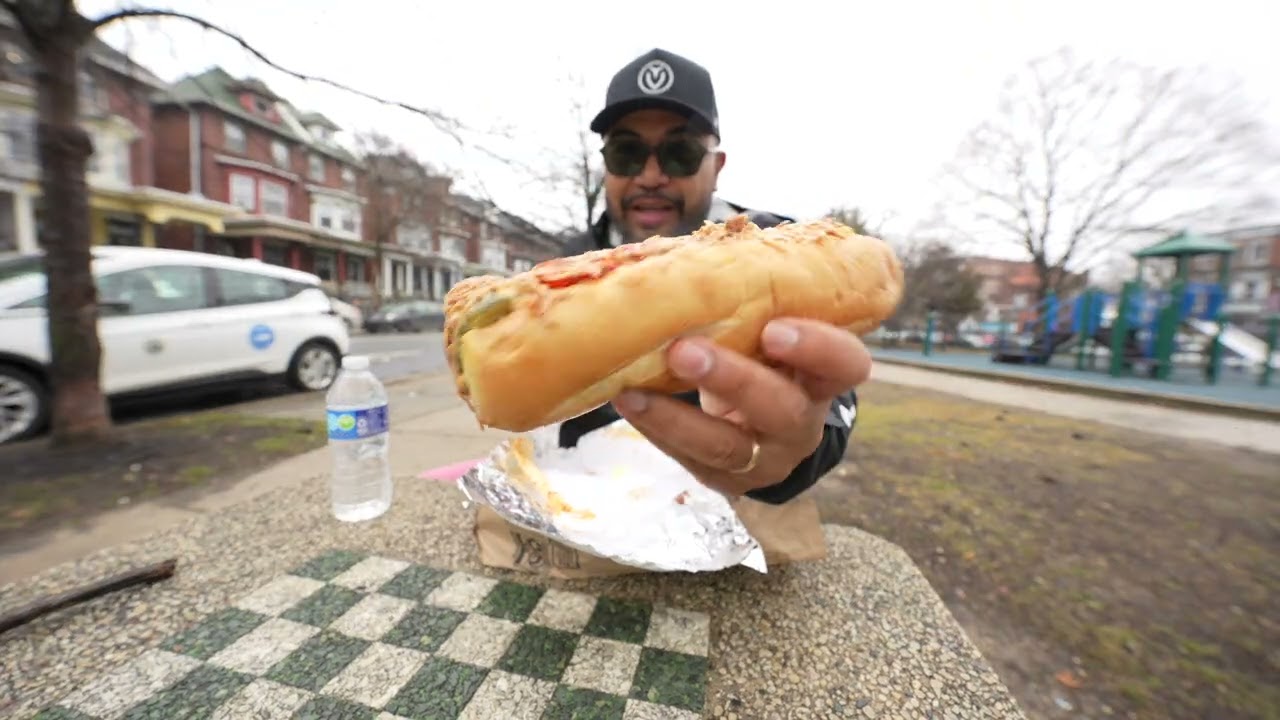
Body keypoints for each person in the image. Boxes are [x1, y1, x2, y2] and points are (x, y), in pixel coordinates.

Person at [558, 48, 871, 504]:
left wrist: (786, 454)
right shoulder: (565, 268)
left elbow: (827, 413)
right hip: (578, 506)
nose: (651, 176)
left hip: (731, 517)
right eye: (627, 153)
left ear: (717, 167)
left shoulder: (779, 252)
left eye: (679, 153)